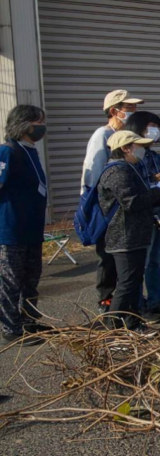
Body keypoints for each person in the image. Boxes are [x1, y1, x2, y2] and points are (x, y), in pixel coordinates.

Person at [97, 131, 160, 334]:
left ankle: (133, 323)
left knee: (133, 283)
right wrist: (159, 191)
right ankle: (113, 331)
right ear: (125, 148)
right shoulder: (117, 172)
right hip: (124, 236)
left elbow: (141, 199)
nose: (142, 150)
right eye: (138, 146)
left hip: (135, 235)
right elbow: (131, 202)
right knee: (126, 284)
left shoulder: (128, 168)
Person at [81, 89, 145, 312]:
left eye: (135, 108)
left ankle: (131, 304)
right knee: (108, 257)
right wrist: (99, 208)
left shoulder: (131, 138)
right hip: (109, 209)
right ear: (113, 111)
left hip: (129, 211)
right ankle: (107, 301)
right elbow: (93, 174)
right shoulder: (102, 135)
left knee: (129, 264)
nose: (133, 112)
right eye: (129, 109)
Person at [123, 111, 160, 318]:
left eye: (157, 127)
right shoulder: (132, 157)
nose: (155, 130)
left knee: (157, 262)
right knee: (142, 263)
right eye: (151, 126)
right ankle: (139, 308)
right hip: (145, 217)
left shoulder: (152, 155)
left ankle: (155, 302)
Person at [0, 105, 50, 346]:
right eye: (39, 122)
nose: (42, 126)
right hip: (11, 229)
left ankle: (28, 321)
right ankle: (10, 328)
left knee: (31, 278)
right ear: (25, 124)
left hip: (32, 229)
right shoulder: (8, 152)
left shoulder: (31, 150)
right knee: (11, 281)